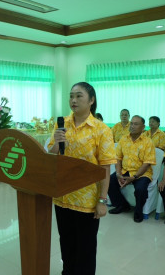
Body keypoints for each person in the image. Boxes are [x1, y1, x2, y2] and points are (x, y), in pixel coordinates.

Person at [48, 82, 116, 275]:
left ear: (91, 100)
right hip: (62, 195)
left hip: (87, 198)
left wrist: (102, 200)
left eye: (79, 96)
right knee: (66, 241)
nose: (73, 100)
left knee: (85, 247)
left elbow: (104, 167)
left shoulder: (101, 129)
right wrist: (56, 144)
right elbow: (53, 155)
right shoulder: (61, 124)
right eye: (71, 96)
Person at [108, 115, 156, 223]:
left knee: (140, 189)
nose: (132, 126)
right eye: (131, 123)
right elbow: (118, 158)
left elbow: (147, 163)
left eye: (136, 124)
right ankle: (122, 205)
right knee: (109, 181)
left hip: (142, 173)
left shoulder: (148, 142)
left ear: (143, 127)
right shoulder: (123, 139)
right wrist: (118, 174)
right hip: (125, 170)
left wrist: (134, 177)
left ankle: (138, 212)